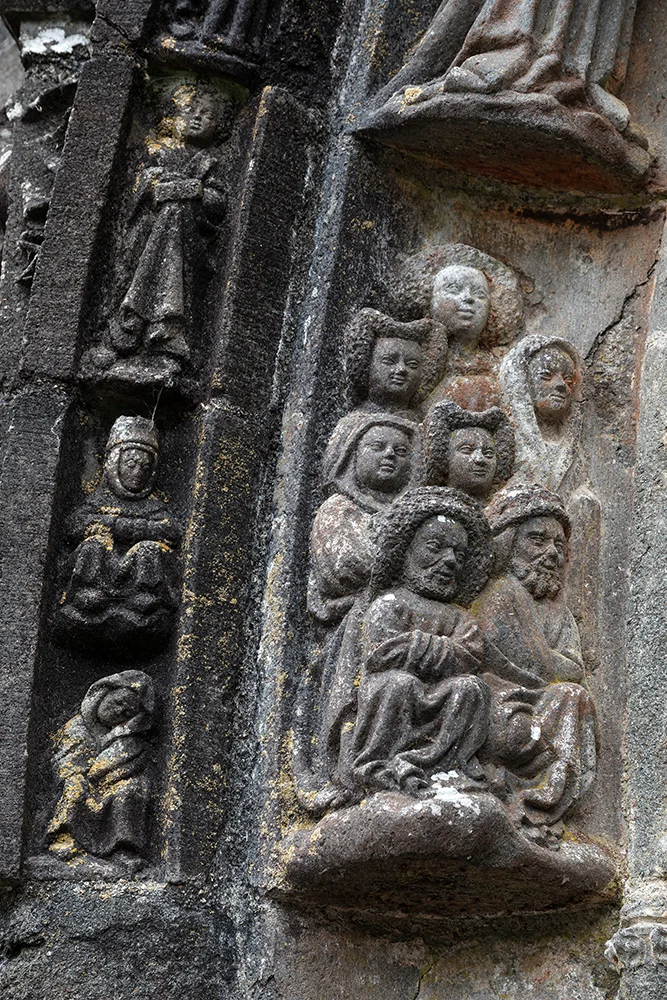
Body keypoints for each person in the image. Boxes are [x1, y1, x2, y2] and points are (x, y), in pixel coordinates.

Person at [325, 487, 493, 804]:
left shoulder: (459, 616)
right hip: (394, 693)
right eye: (435, 548)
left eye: (458, 555)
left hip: (440, 693)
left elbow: (470, 654)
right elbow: (382, 654)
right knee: (400, 683)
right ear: (406, 550)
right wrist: (441, 649)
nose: (449, 561)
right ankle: (379, 764)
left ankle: (441, 765)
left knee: (472, 689)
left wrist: (417, 647)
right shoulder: (390, 603)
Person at [475, 484, 597, 838]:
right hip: (504, 704)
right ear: (509, 543)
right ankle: (524, 797)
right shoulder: (502, 594)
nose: (551, 553)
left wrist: (556, 665)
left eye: (559, 545)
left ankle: (543, 803)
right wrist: (556, 665)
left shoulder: (559, 612)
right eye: (537, 540)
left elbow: (573, 668)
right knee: (569, 695)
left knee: (574, 696)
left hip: (545, 703)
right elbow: (537, 666)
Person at [58, 416, 181, 652]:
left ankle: (143, 594)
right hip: (102, 576)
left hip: (135, 583)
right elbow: (74, 527)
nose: (138, 472)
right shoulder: (98, 501)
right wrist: (118, 526)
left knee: (148, 549)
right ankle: (88, 592)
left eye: (145, 467)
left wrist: (123, 527)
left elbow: (170, 531)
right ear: (114, 463)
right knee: (94, 545)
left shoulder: (154, 506)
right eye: (131, 464)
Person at [46, 670, 155, 871]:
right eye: (118, 701)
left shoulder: (128, 742)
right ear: (104, 692)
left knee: (131, 790)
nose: (119, 711)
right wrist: (78, 774)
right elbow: (63, 762)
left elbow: (132, 766)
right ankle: (65, 839)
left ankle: (122, 849)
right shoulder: (77, 727)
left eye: (127, 713)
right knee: (75, 788)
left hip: (110, 785)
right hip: (80, 781)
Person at [499, 333, 582, 494]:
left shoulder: (573, 448)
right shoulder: (508, 443)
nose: (561, 385)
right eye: (546, 376)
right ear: (522, 382)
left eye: (568, 380)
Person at [424, 400, 514, 500]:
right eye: (466, 450)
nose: (480, 459)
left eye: (488, 453)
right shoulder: (429, 504)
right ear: (444, 458)